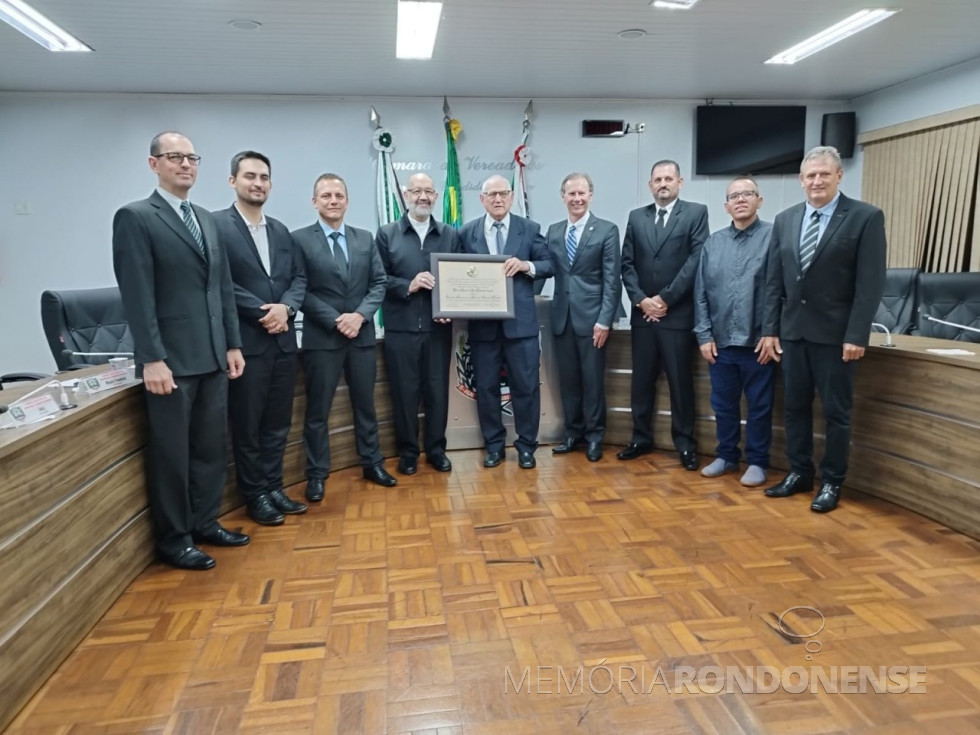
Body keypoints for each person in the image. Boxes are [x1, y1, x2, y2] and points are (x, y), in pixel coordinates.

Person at [112, 131, 247, 571]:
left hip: (211, 358)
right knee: (172, 455)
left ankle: (205, 521)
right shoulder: (135, 217)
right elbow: (138, 294)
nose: (186, 165)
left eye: (192, 158)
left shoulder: (206, 219)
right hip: (169, 363)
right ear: (154, 164)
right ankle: (174, 540)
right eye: (175, 157)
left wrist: (232, 343)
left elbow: (221, 289)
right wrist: (151, 357)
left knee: (209, 448)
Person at [760, 146, 886, 513]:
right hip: (793, 334)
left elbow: (870, 283)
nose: (816, 181)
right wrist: (770, 329)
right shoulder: (785, 219)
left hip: (836, 337)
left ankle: (832, 482)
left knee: (836, 413)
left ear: (839, 176)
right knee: (795, 409)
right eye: (810, 175)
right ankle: (800, 472)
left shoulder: (865, 217)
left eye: (824, 174)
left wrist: (856, 334)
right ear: (801, 180)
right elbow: (774, 281)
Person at [215, 150, 308, 526]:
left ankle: (274, 487)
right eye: (250, 176)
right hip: (247, 345)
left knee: (277, 423)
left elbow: (298, 279)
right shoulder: (217, 227)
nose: (258, 183)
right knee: (248, 426)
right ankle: (254, 496)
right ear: (232, 181)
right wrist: (264, 312)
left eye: (264, 177)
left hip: (284, 343)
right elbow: (221, 283)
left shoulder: (281, 231)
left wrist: (285, 309)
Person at [292, 173, 396, 501]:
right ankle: (317, 473)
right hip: (322, 339)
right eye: (326, 196)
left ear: (347, 201)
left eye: (338, 195)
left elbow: (379, 283)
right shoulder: (298, 240)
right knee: (318, 410)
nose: (333, 201)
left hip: (361, 337)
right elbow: (299, 289)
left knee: (365, 405)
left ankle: (372, 462)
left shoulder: (365, 239)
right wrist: (336, 319)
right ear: (315, 202)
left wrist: (360, 315)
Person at [458, 175, 555, 469]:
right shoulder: (467, 232)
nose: (498, 199)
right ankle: (494, 446)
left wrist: (527, 265)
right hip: (483, 327)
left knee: (525, 387)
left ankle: (526, 446)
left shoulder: (530, 229)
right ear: (482, 199)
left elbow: (549, 264)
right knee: (486, 388)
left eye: (503, 193)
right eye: (491, 194)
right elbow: (458, 272)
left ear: (511, 197)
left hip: (521, 327)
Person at [620, 160, 709, 470]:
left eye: (669, 178)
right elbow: (626, 264)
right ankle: (640, 438)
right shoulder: (636, 217)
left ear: (680, 182)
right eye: (657, 179)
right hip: (643, 316)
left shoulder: (696, 214)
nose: (663, 184)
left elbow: (696, 261)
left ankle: (685, 444)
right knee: (641, 382)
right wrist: (642, 301)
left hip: (677, 315)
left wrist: (665, 299)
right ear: (650, 185)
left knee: (679, 383)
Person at [693, 176, 776, 487]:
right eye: (734, 196)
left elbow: (778, 291)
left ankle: (757, 461)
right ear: (726, 206)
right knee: (723, 404)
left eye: (748, 194)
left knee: (759, 406)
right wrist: (704, 335)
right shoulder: (713, 244)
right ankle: (726, 455)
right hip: (721, 343)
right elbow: (700, 293)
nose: (741, 200)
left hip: (759, 343)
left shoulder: (773, 237)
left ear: (759, 200)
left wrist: (772, 332)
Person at [375, 173, 459, 475]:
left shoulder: (450, 234)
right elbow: (378, 279)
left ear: (436, 196)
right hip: (401, 329)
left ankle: (437, 450)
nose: (423, 196)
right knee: (404, 392)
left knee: (438, 392)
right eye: (416, 191)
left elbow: (458, 277)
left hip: (439, 328)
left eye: (428, 191)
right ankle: (408, 452)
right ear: (406, 195)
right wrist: (408, 285)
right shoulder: (387, 234)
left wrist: (452, 306)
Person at [546, 173, 621, 462]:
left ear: (591, 195)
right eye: (571, 194)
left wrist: (605, 321)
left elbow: (612, 280)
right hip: (562, 318)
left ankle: (594, 437)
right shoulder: (553, 231)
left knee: (592, 382)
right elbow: (545, 269)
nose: (577, 199)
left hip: (593, 321)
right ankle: (572, 434)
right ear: (562, 196)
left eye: (582, 193)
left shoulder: (606, 230)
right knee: (569, 382)